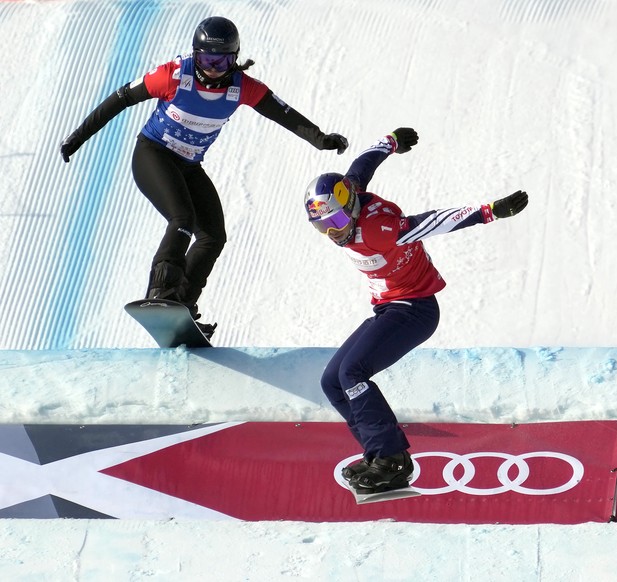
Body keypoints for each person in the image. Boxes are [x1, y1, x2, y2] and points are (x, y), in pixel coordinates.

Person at [60, 16, 348, 338]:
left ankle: (181, 304)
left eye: (222, 60)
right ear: (195, 55)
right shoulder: (172, 76)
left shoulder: (242, 87)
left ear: (234, 59)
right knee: (182, 218)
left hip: (188, 165)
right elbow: (120, 98)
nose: (213, 68)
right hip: (153, 155)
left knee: (213, 236)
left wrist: (320, 138)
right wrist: (77, 137)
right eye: (207, 59)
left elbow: (283, 113)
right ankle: (161, 292)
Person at [304, 127, 528, 494]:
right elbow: (363, 165)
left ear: (351, 209)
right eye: (323, 228)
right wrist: (389, 142)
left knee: (352, 373)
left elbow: (434, 222)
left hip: (414, 310)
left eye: (338, 223)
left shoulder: (378, 230)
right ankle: (379, 455)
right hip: (390, 308)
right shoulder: (350, 193)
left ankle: (391, 458)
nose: (334, 233)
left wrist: (489, 212)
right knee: (332, 381)